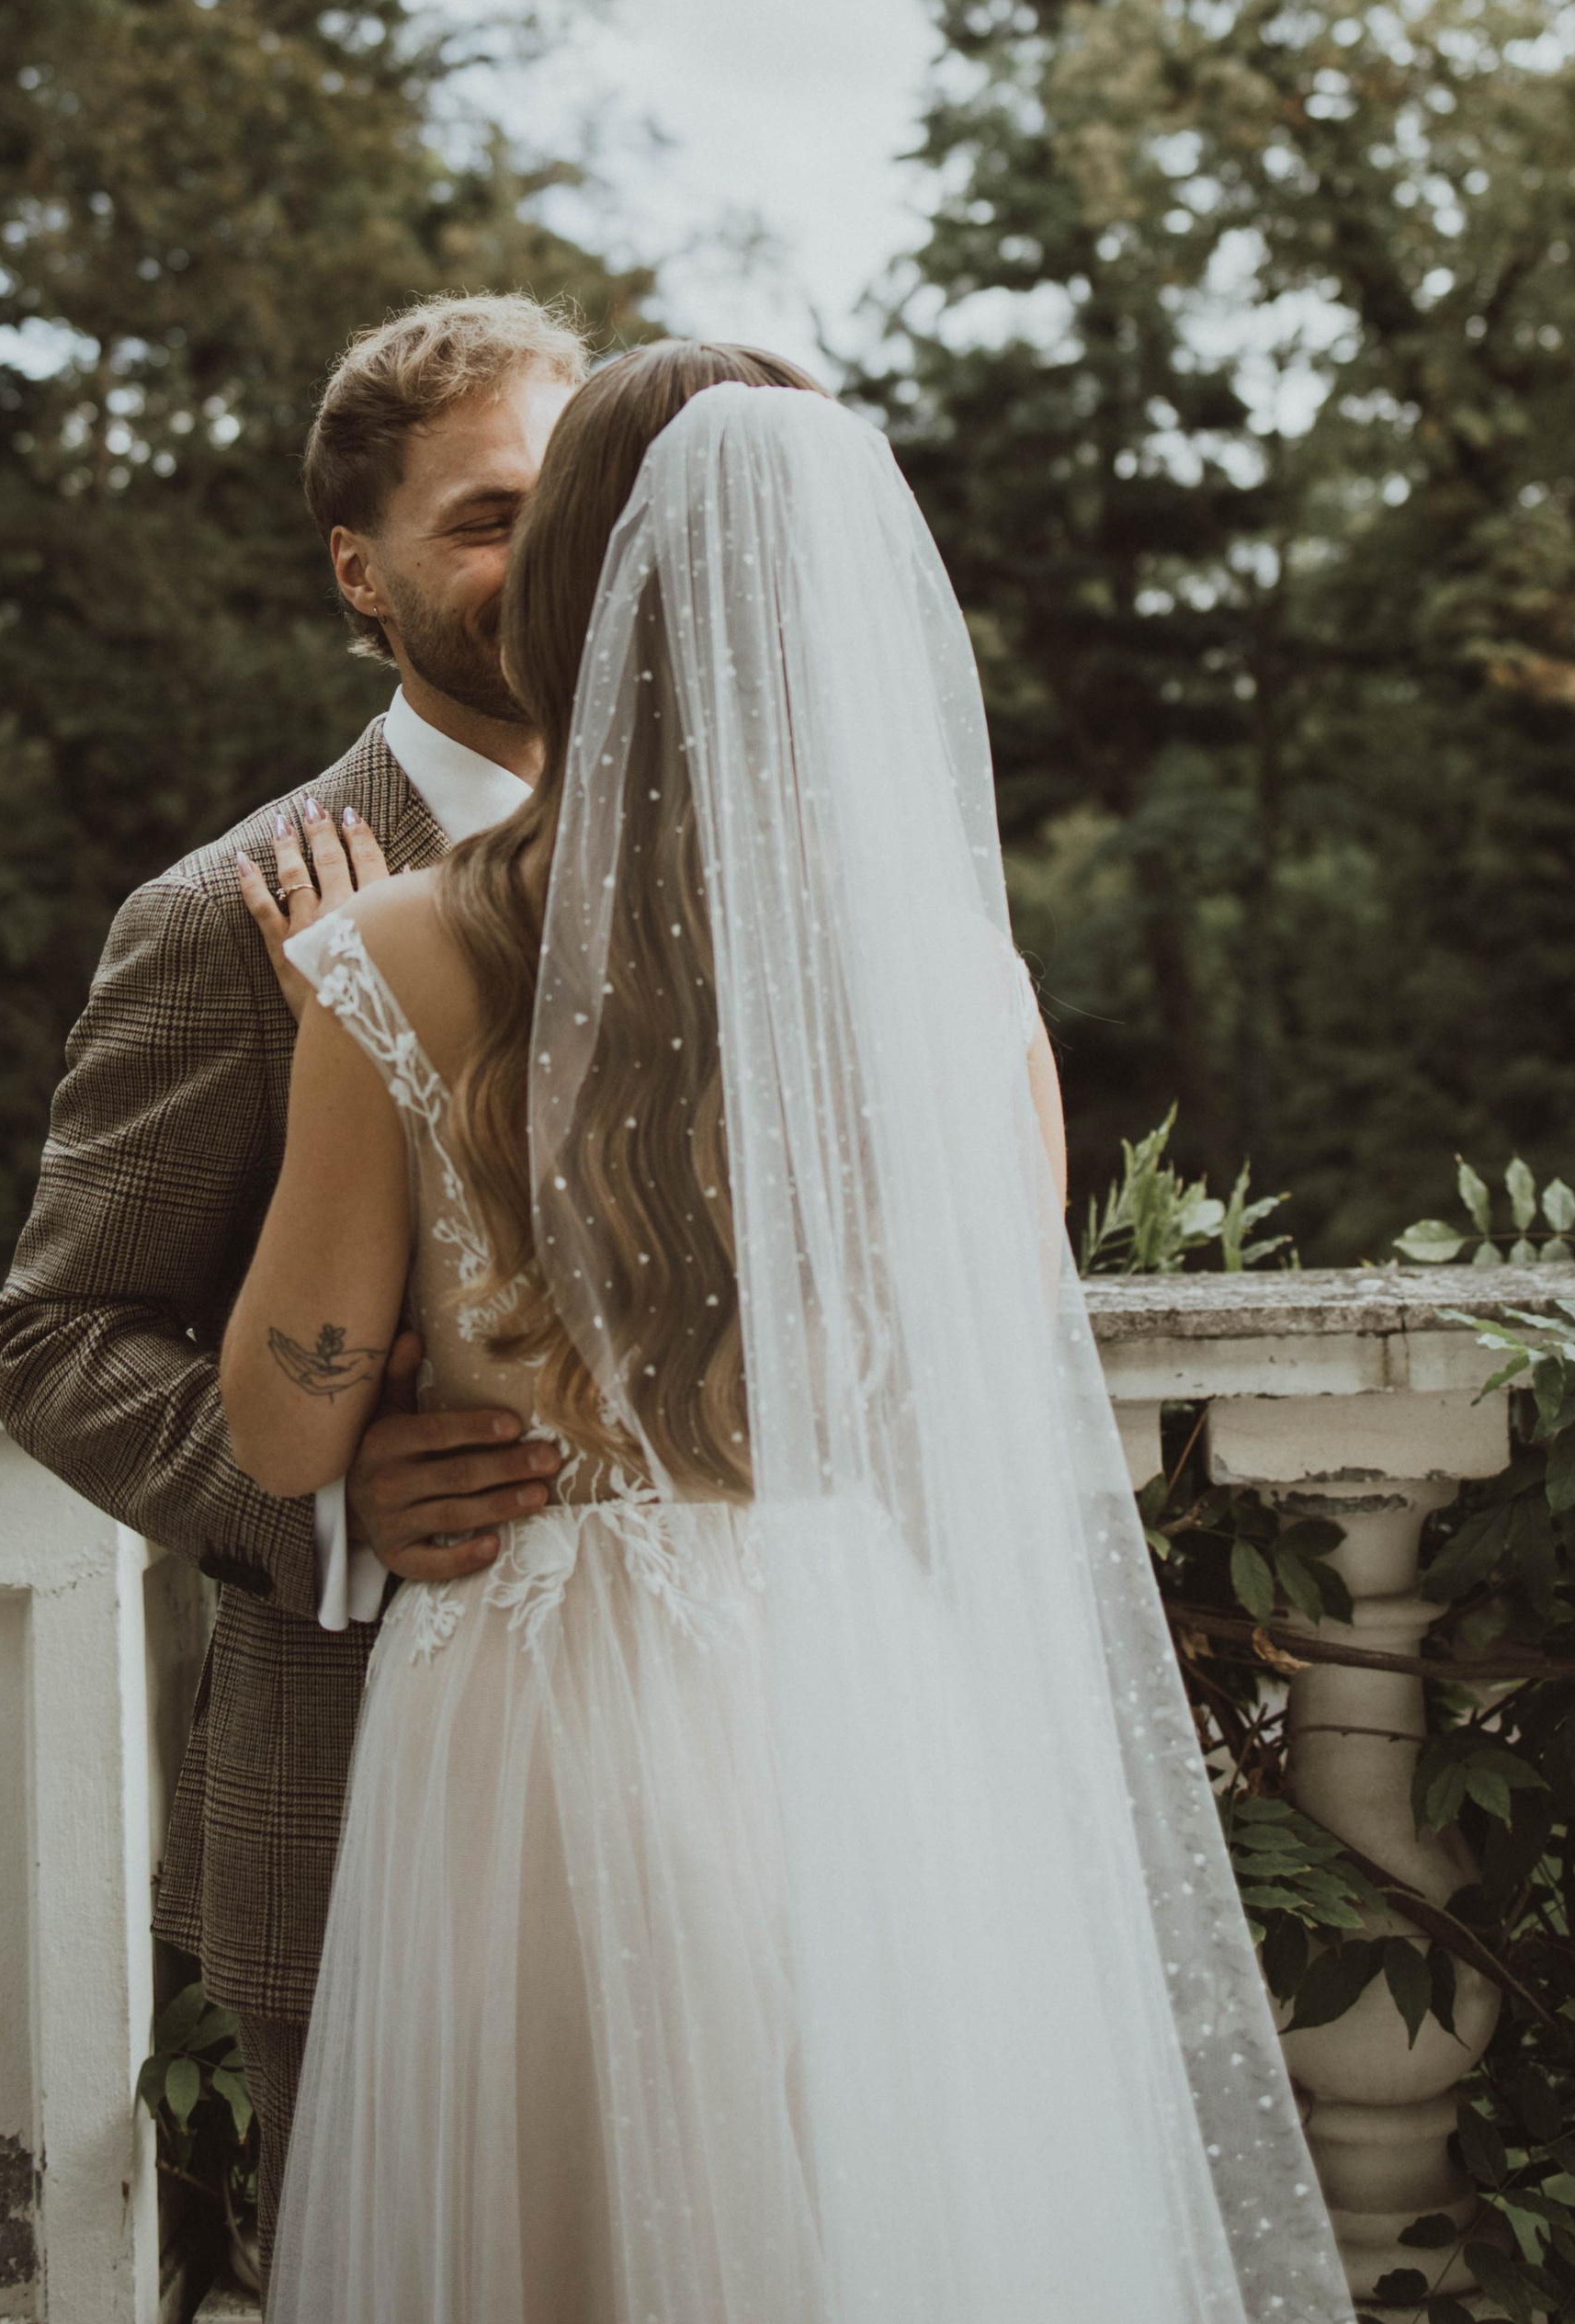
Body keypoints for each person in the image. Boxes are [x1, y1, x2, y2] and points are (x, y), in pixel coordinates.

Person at [222, 342, 1351, 2324]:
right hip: (857, 1696)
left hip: (534, 1722)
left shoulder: (385, 954)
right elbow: (961, 1414)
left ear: (569, 600)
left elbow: (282, 1428)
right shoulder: (962, 987)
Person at [0, 290, 594, 2264]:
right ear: (365, 571)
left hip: (692, 1768)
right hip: (356, 1784)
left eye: (568, 504)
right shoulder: (222, 915)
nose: (540, 555)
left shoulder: (721, 879)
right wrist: (316, 1489)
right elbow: (60, 1332)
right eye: (485, 516)